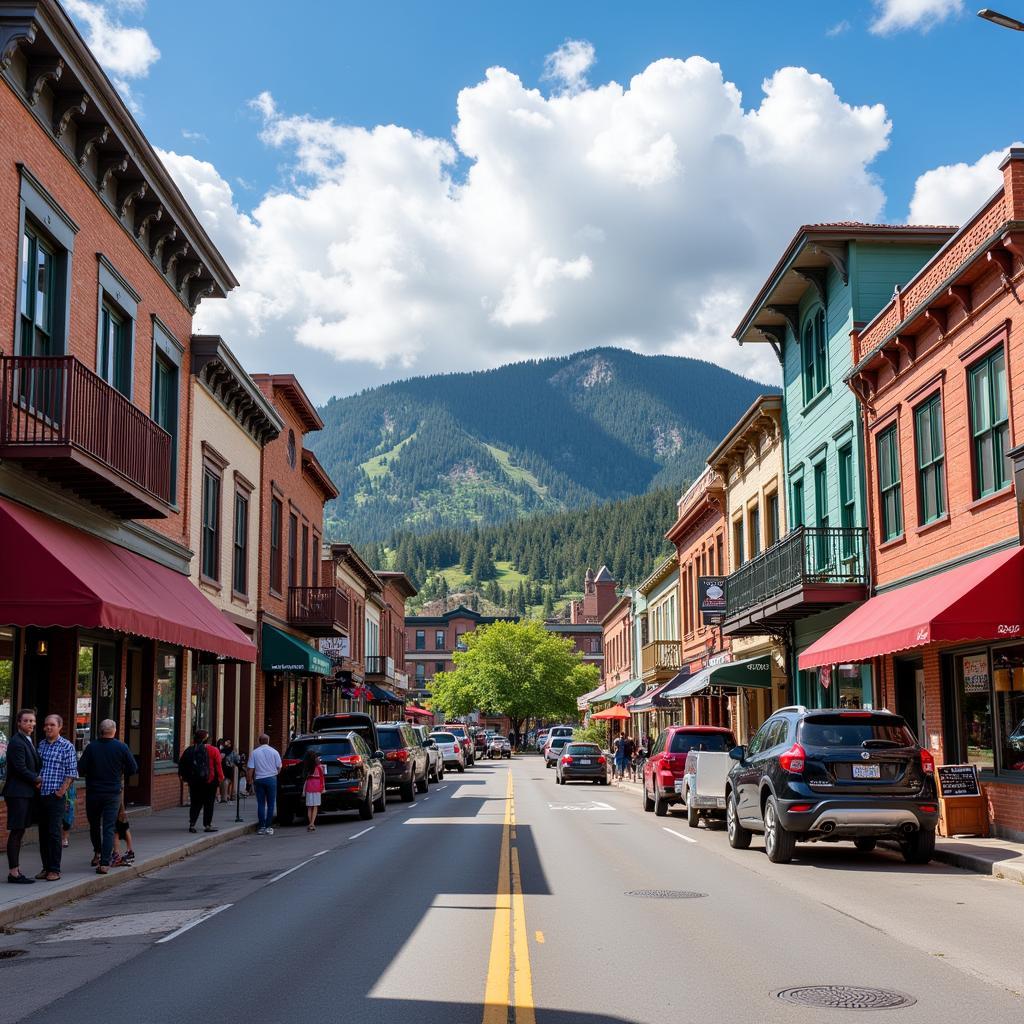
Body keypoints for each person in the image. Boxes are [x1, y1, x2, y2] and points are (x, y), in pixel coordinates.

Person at [77, 719, 138, 874]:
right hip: (113, 793)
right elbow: (133, 768)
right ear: (114, 731)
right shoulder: (121, 747)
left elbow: (80, 769)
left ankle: (97, 853)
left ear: (100, 731)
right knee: (109, 827)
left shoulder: (91, 748)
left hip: (93, 792)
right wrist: (120, 772)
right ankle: (105, 863)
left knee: (94, 825)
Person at [36, 715, 78, 881]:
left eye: (52, 725)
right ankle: (45, 868)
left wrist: (61, 791)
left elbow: (71, 772)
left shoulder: (66, 746)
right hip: (41, 795)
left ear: (59, 727)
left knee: (54, 833)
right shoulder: (41, 745)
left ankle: (54, 869)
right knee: (43, 833)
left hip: (56, 796)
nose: (48, 728)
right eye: (46, 725)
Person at [4, 709, 41, 884]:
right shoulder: (17, 742)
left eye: (32, 721)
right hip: (17, 793)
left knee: (20, 831)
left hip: (26, 793)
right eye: (26, 721)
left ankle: (16, 870)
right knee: (17, 832)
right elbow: (20, 767)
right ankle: (14, 873)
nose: (30, 724)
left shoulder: (28, 740)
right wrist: (37, 778)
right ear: (19, 723)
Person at [178, 730, 223, 833]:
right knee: (209, 803)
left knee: (195, 802)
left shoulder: (190, 749)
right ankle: (207, 825)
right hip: (210, 780)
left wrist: (185, 778)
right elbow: (218, 765)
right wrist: (220, 778)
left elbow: (183, 764)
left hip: (194, 780)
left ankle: (192, 824)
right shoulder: (213, 750)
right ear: (206, 739)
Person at [247, 734, 282, 836]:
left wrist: (249, 780)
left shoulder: (254, 753)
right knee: (271, 804)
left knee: (261, 803)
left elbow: (250, 769)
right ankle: (268, 826)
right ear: (268, 740)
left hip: (259, 779)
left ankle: (261, 826)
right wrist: (274, 773)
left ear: (259, 741)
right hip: (271, 778)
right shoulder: (274, 752)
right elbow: (279, 767)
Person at [302, 749, 325, 832]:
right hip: (317, 787)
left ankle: (310, 823)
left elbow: (305, 778)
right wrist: (323, 787)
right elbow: (322, 778)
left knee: (309, 807)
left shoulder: (307, 767)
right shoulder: (319, 767)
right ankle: (312, 823)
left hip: (309, 787)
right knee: (315, 806)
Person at [110, 800, 134, 867]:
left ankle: (117, 856)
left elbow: (121, 789)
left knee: (117, 827)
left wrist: (122, 806)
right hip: (119, 801)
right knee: (123, 826)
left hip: (118, 801)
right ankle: (129, 852)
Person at [218, 739, 239, 803]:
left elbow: (237, 760)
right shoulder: (224, 751)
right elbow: (237, 760)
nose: (227, 744)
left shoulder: (229, 752)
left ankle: (227, 796)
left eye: (228, 743)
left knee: (226, 783)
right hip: (225, 769)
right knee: (226, 783)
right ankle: (226, 796)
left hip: (226, 770)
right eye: (226, 742)